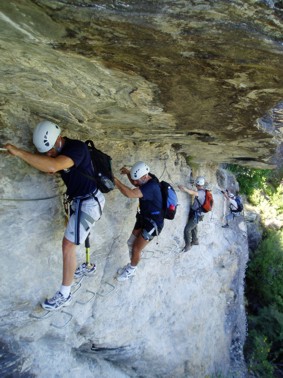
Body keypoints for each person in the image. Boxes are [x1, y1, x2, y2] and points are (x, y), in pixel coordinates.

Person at [4, 120, 105, 310]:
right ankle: (83, 266)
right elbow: (53, 165)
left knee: (68, 245)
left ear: (59, 139)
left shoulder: (77, 148)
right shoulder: (60, 150)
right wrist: (50, 162)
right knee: (76, 237)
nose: (48, 154)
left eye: (50, 149)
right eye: (46, 152)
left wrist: (18, 152)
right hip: (81, 201)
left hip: (89, 204)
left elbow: (52, 166)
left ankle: (64, 295)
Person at [114, 161, 164, 281]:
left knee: (136, 248)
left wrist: (115, 181)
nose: (135, 183)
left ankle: (132, 269)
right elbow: (137, 183)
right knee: (131, 242)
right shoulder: (146, 177)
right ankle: (134, 261)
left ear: (145, 177)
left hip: (154, 224)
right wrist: (128, 173)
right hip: (144, 218)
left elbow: (130, 193)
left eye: (137, 180)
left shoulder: (151, 186)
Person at [178, 176, 206, 252]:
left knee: (187, 229)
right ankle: (195, 240)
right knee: (194, 226)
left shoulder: (200, 192)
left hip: (197, 215)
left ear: (197, 184)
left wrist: (184, 189)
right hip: (198, 214)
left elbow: (192, 193)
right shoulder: (205, 191)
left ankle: (188, 245)